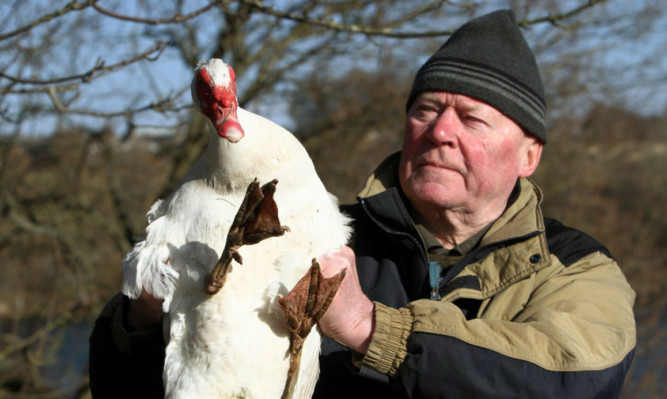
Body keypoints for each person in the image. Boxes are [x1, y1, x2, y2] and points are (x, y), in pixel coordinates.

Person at [89, 9, 636, 398]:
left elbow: (570, 378)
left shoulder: (577, 268)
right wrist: (141, 323)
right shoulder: (317, 238)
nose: (439, 130)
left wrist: (371, 327)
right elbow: (137, 387)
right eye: (425, 110)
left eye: (471, 118)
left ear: (529, 155)